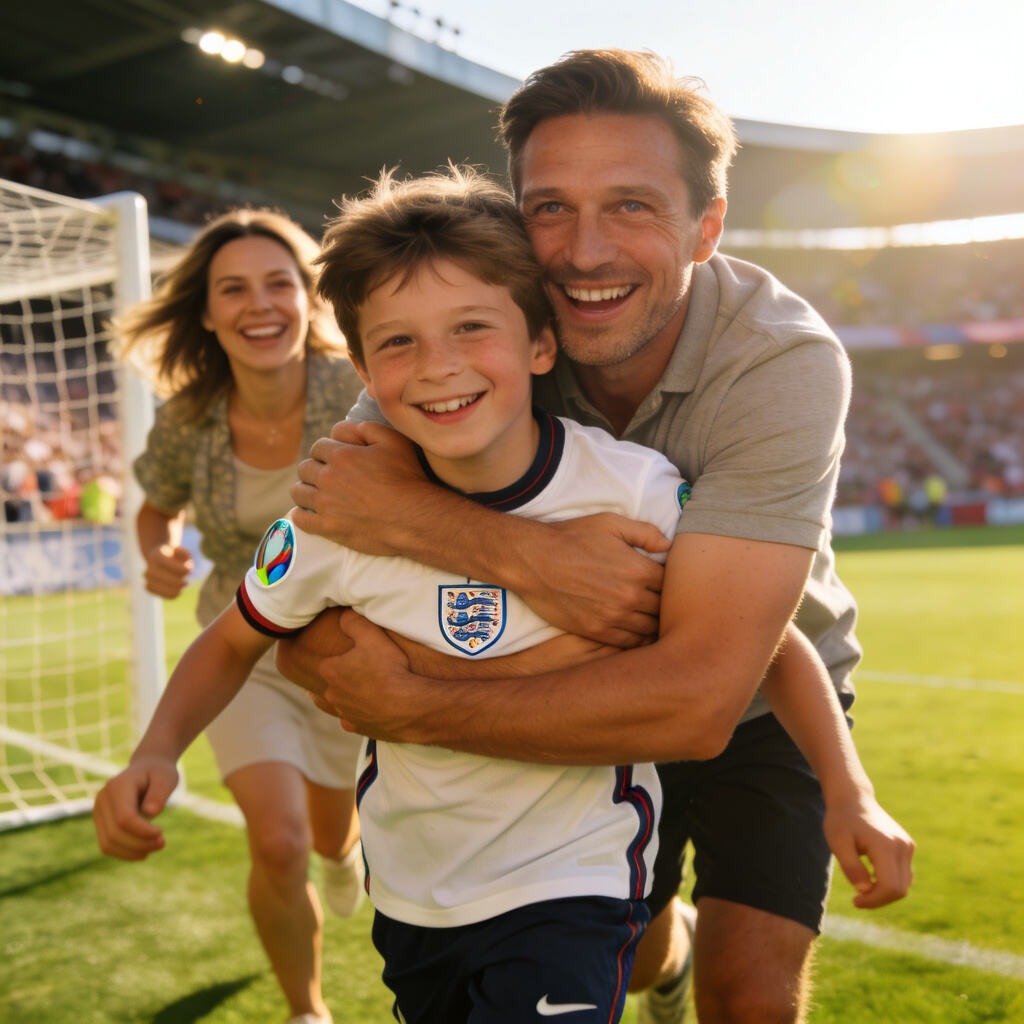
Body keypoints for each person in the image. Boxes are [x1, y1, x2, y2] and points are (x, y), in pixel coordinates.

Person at [278, 51, 916, 1024]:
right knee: (638, 946)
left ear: (706, 225)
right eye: (550, 208)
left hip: (757, 697)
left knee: (750, 998)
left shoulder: (780, 359)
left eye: (630, 206)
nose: (583, 252)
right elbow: (310, 602)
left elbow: (699, 699)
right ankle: (666, 955)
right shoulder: (471, 337)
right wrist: (533, 562)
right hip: (566, 694)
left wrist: (415, 696)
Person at [92, 209, 366, 1024]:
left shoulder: (360, 387)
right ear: (208, 313)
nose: (260, 304)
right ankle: (307, 1010)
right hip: (240, 652)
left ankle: (343, 852)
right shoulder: (188, 416)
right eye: (234, 289)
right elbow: (157, 507)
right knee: (278, 841)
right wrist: (160, 551)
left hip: (350, 652)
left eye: (279, 283)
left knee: (330, 837)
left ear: (308, 297)